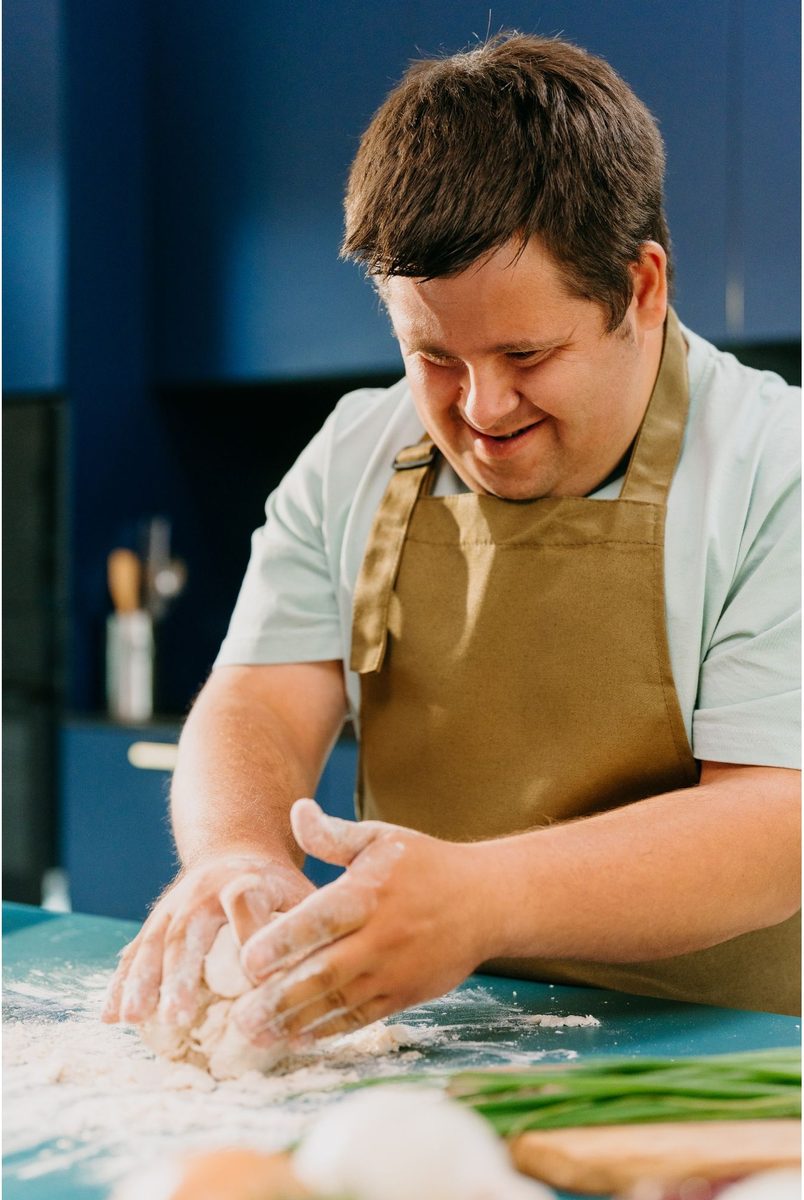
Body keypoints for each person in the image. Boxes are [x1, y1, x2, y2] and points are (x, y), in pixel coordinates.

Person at [103, 33, 801, 1051]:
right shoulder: (356, 453)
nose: (481, 406)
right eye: (432, 354)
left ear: (642, 288)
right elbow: (256, 697)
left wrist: (484, 898)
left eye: (527, 352)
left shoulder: (775, 465)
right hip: (439, 1048)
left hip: (723, 1070)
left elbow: (776, 828)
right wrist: (236, 852)